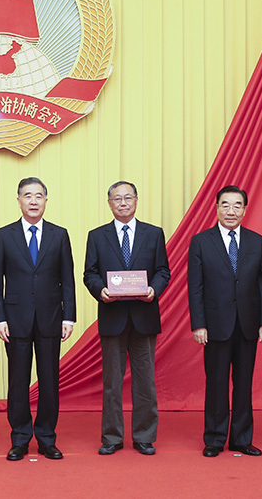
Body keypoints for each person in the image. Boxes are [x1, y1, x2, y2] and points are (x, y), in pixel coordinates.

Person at [0, 177, 75, 461]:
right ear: (19, 201)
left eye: (39, 196)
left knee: (49, 381)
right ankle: (20, 438)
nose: (33, 201)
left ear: (46, 201)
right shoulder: (4, 235)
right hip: (15, 320)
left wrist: (69, 317)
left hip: (51, 318)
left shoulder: (59, 235)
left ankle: (47, 438)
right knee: (18, 382)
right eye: (28, 196)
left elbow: (68, 279)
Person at [84, 181, 170, 456]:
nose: (123, 203)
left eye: (127, 198)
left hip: (144, 316)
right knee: (112, 382)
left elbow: (163, 271)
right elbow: (90, 273)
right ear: (109, 203)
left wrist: (154, 289)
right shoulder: (97, 236)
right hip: (113, 316)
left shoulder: (153, 234)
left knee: (145, 381)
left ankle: (144, 436)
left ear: (136, 200)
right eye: (117, 199)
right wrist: (100, 290)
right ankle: (112, 437)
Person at [188, 185, 262, 457]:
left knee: (244, 383)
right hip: (214, 325)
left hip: (248, 324)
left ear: (245, 209)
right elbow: (195, 287)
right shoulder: (201, 241)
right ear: (217, 208)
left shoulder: (257, 241)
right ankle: (214, 438)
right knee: (216, 383)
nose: (231, 211)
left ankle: (241, 439)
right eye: (225, 205)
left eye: (237, 205)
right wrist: (199, 324)